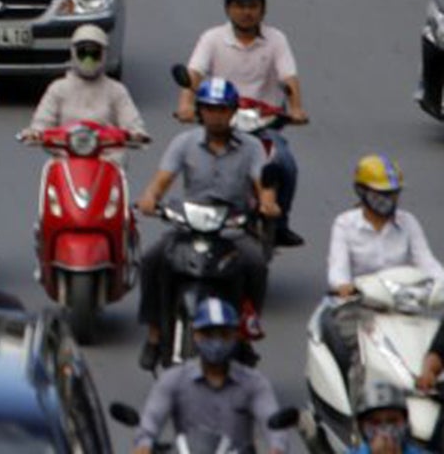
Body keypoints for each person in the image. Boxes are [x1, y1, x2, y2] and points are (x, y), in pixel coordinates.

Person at [135, 77, 278, 368]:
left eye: (223, 109)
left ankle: (247, 330)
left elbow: (264, 183)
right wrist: (149, 198)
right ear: (200, 111)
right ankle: (153, 334)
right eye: (210, 109)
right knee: (152, 260)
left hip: (232, 227)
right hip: (189, 224)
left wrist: (267, 202)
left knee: (256, 264)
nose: (216, 115)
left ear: (233, 111)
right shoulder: (184, 143)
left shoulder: (251, 147)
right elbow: (161, 182)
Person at [180, 0, 309, 247]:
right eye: (239, 5)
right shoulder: (212, 39)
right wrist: (185, 105)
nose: (246, 12)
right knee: (197, 163)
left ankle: (280, 222)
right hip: (221, 121)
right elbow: (194, 73)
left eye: (252, 6)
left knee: (285, 163)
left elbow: (288, 78)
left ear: (263, 8)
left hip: (264, 125)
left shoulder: (276, 40)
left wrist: (296, 108)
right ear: (228, 8)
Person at [321, 154, 443, 390]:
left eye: (392, 194)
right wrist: (344, 287)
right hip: (358, 306)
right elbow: (338, 270)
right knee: (359, 356)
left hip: (405, 304)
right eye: (381, 193)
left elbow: (428, 263)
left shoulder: (408, 223)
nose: (387, 200)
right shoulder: (345, 224)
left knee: (432, 348)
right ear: (361, 191)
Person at [129, 298, 289, 454]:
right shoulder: (173, 380)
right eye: (208, 334)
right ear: (195, 335)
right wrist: (144, 445)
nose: (216, 341)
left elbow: (272, 423)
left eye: (224, 334)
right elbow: (151, 422)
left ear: (235, 336)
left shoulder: (254, 383)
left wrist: (277, 448)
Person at [25, 25, 148, 140]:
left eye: (94, 54)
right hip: (64, 156)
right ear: (73, 53)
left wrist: (136, 133)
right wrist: (36, 132)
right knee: (49, 165)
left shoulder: (116, 90)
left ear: (104, 54)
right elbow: (43, 120)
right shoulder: (58, 88)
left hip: (108, 156)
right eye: (83, 53)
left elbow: (131, 121)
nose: (88, 60)